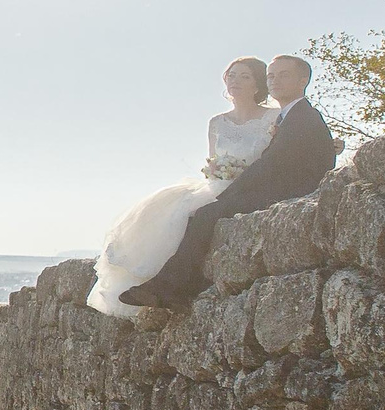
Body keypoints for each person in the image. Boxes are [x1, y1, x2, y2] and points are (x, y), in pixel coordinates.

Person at [117, 54, 337, 312]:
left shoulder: (301, 116)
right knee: (195, 213)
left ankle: (169, 287)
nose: (275, 81)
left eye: (284, 75)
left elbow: (276, 164)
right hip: (264, 186)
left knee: (207, 215)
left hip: (286, 192)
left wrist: (236, 188)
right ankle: (169, 286)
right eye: (272, 76)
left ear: (303, 80)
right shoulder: (292, 115)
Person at [87, 57, 280, 317]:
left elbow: (281, 155)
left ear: (258, 84)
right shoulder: (217, 122)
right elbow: (213, 160)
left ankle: (172, 285)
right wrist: (217, 170)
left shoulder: (273, 117)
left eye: (245, 76)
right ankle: (154, 283)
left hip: (251, 186)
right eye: (232, 75)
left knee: (195, 216)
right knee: (163, 211)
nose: (235, 81)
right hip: (218, 183)